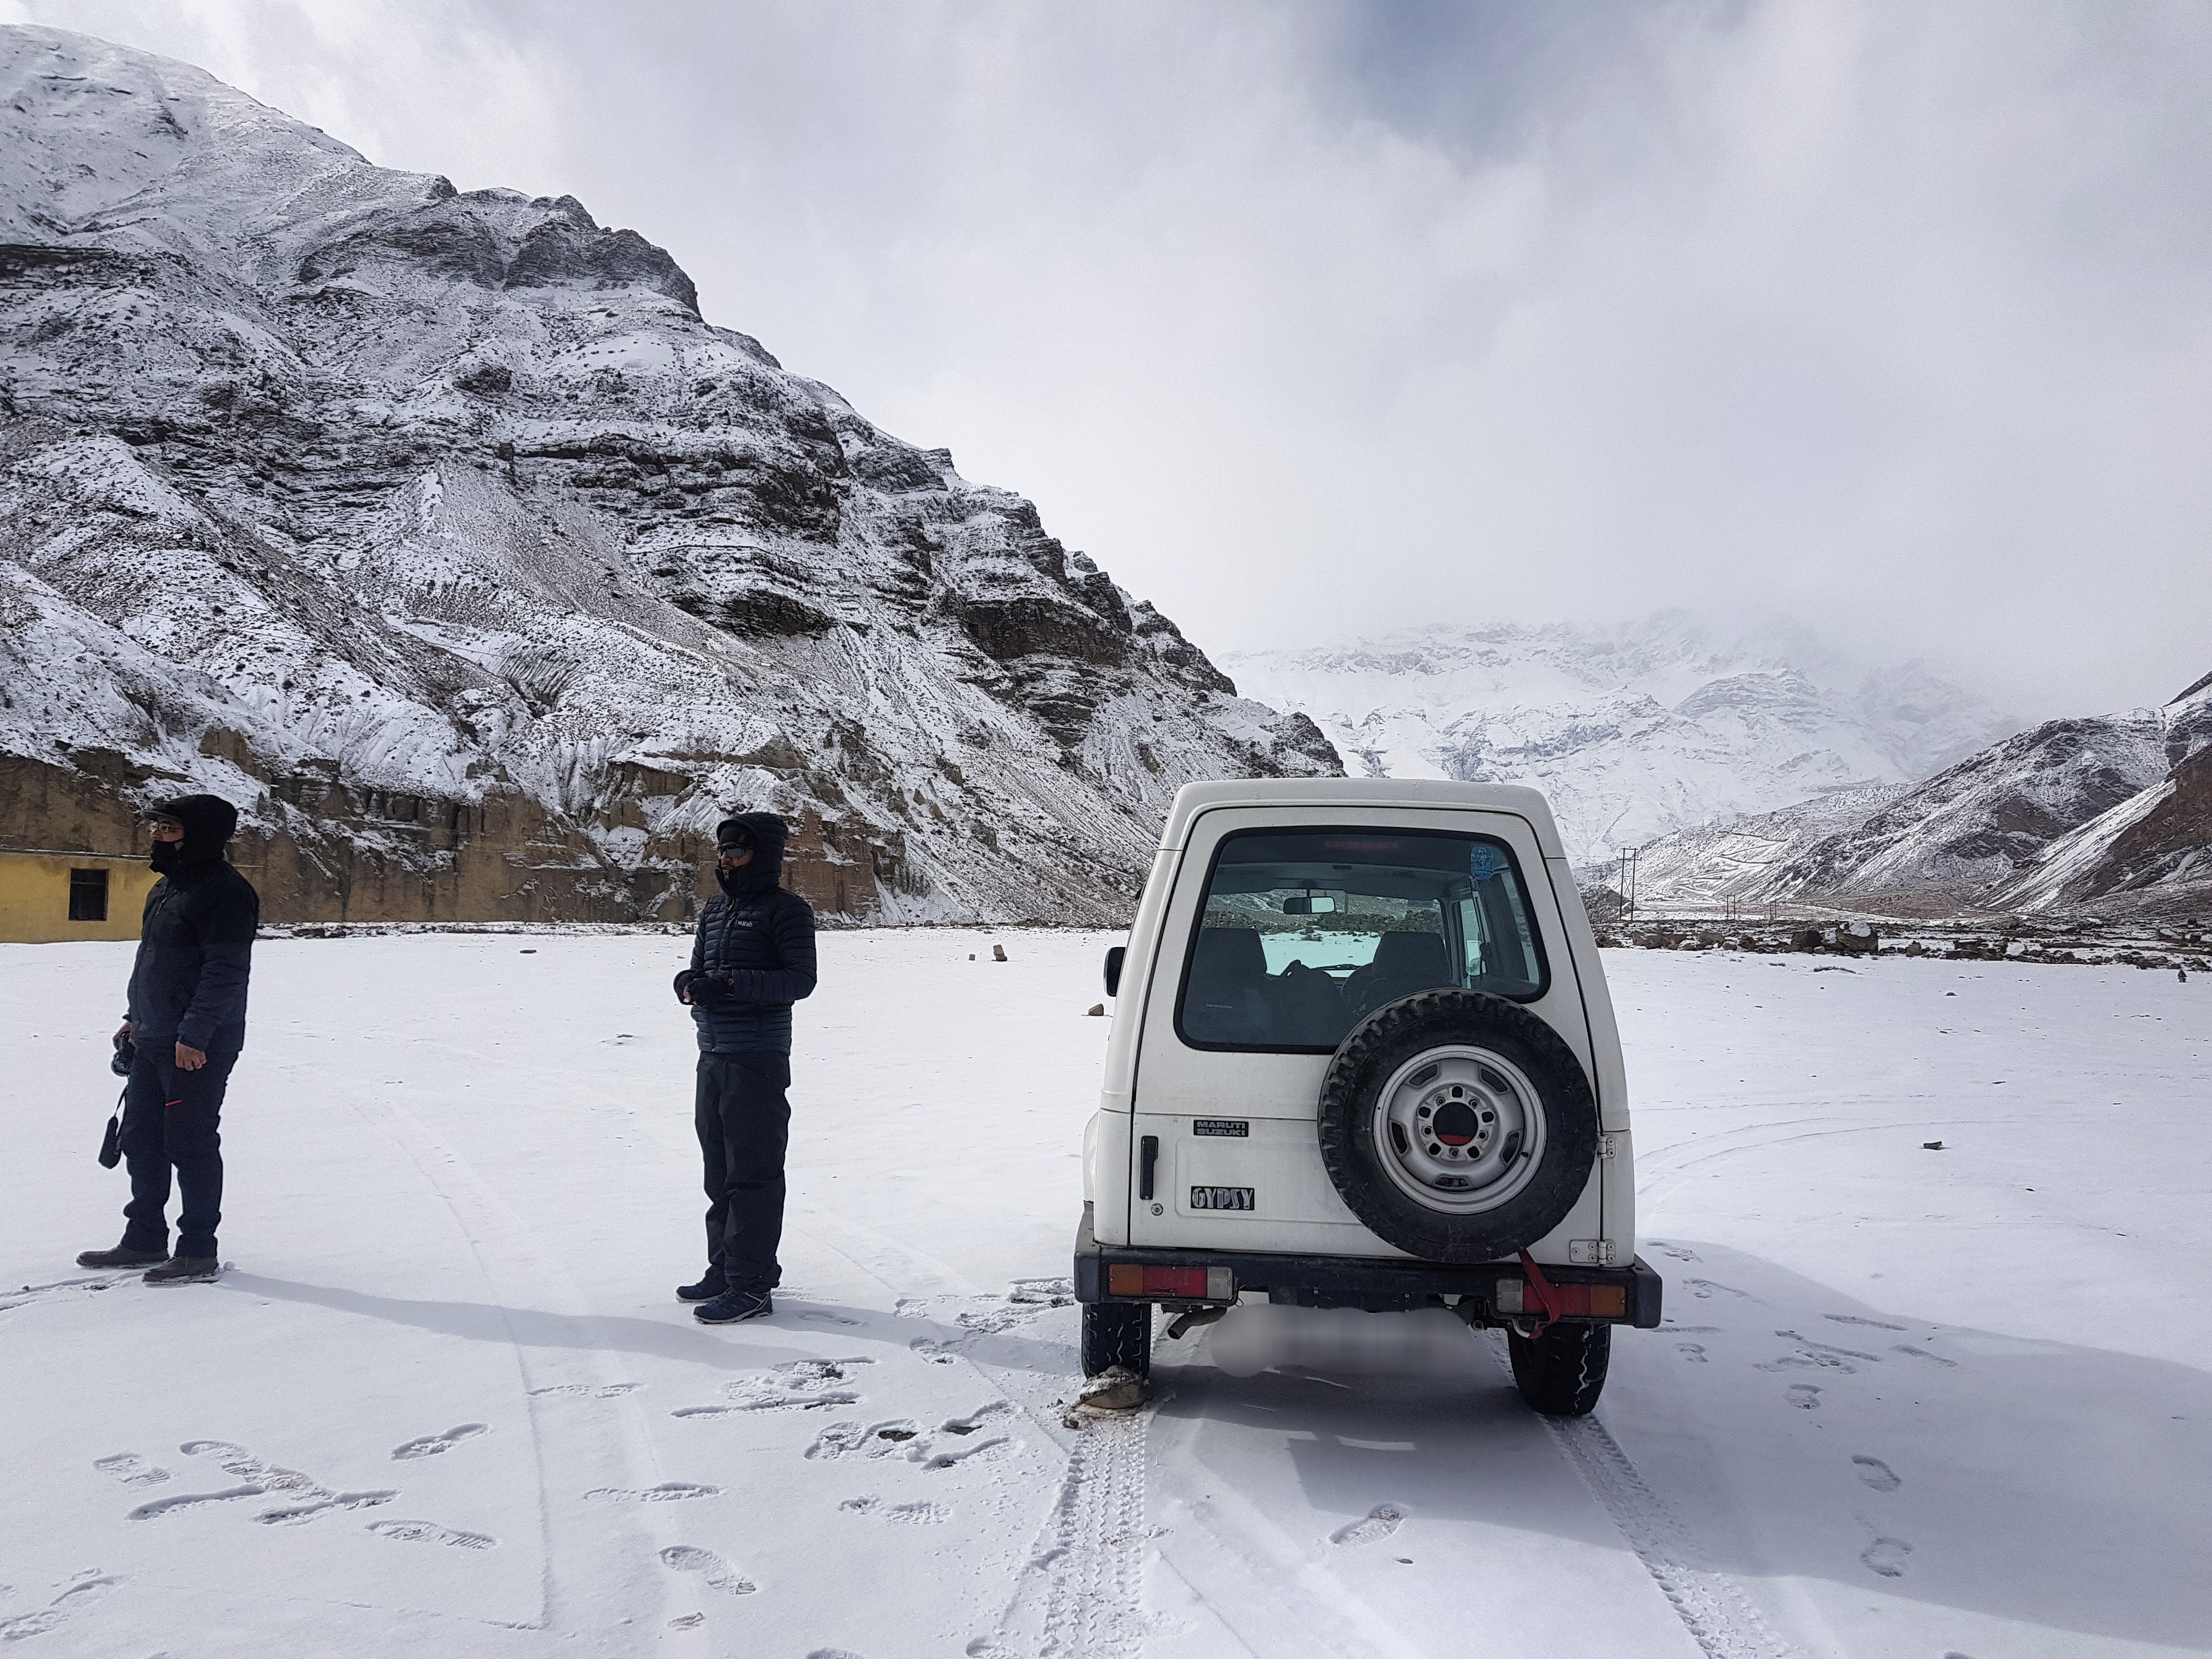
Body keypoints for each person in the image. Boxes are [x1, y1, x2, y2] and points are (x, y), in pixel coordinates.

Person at [77, 795, 259, 1285]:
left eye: (169, 827)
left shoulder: (225, 892)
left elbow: (226, 973)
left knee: (190, 1142)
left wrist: (195, 1034)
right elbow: (155, 965)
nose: (157, 833)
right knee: (140, 1138)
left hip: (197, 1045)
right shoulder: (166, 889)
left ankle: (198, 1248)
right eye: (156, 825)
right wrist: (134, 1017)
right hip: (153, 1035)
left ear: (198, 835)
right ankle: (143, 1239)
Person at [673, 812, 816, 1324]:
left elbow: (799, 981)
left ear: (765, 854)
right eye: (723, 848)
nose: (727, 857)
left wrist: (729, 986)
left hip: (757, 1057)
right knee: (719, 1172)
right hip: (712, 1055)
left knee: (753, 1173)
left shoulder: (787, 911)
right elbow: (701, 966)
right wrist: (688, 981)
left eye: (738, 848)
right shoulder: (715, 911)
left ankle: (752, 1285)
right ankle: (726, 1269)